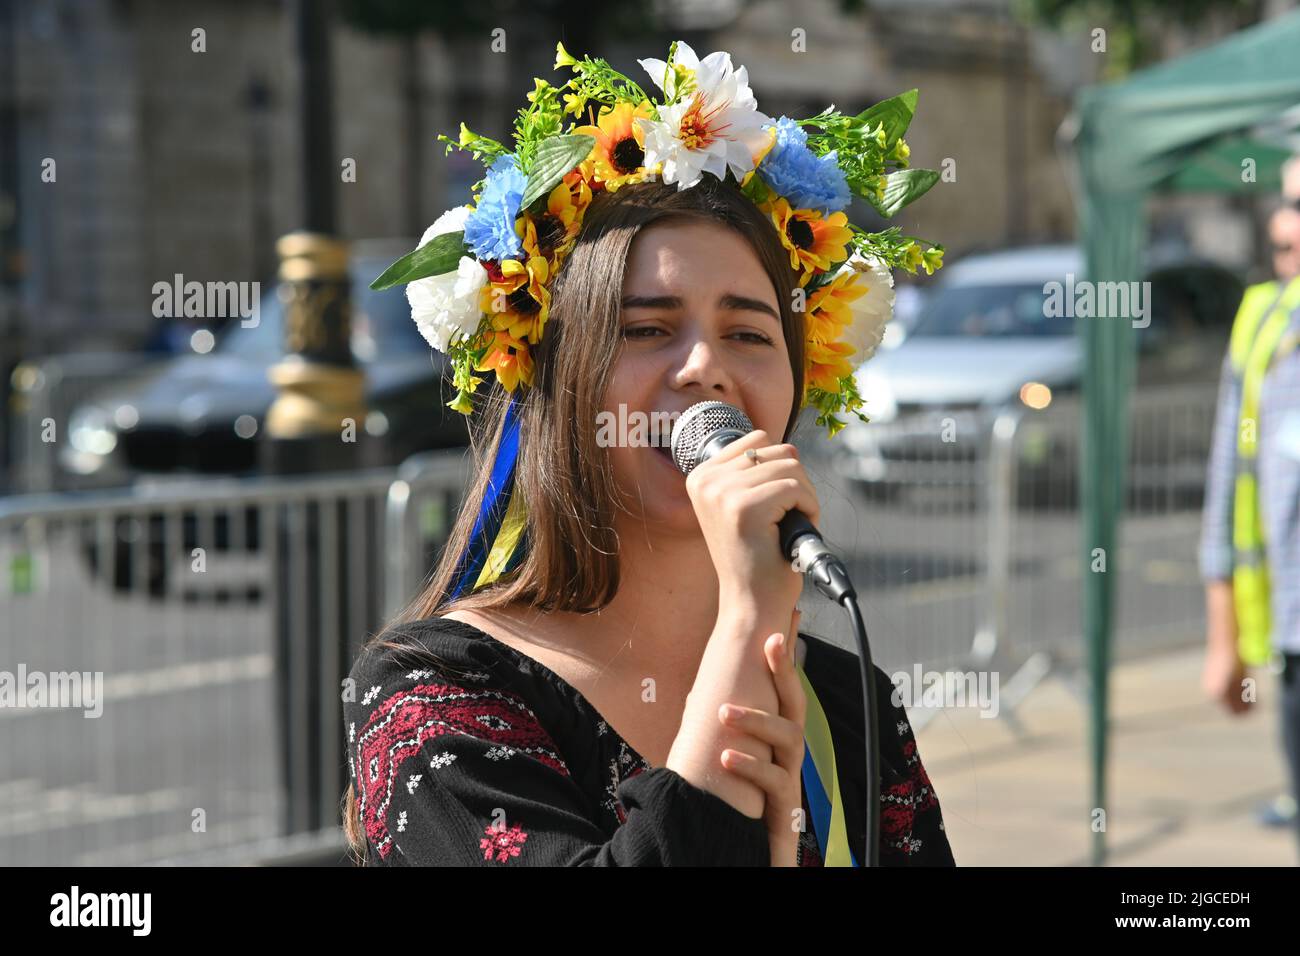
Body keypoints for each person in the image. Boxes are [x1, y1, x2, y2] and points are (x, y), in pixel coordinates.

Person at [340, 40, 954, 866]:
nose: (706, 368)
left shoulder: (848, 704)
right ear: (556, 381)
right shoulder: (434, 695)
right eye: (647, 330)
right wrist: (746, 621)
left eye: (748, 333)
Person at [1200, 200, 1300, 851]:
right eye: (1287, 205)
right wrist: (1223, 638)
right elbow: (1227, 480)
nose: (1285, 230)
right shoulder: (1264, 318)